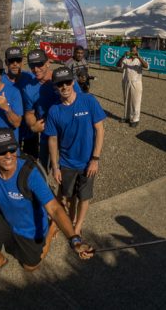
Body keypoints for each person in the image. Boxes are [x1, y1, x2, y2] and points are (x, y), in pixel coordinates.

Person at [0, 128, 94, 281]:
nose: (9, 155)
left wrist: (74, 239)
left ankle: (50, 229)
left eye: (12, 150)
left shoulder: (29, 173)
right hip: (6, 219)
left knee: (30, 267)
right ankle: (0, 260)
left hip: (30, 228)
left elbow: (55, 208)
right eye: (2, 152)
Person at [44, 66, 106, 236]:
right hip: (67, 163)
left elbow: (100, 129)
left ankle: (77, 227)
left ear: (73, 82)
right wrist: (55, 167)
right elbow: (52, 139)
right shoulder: (54, 110)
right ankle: (68, 222)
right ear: (56, 87)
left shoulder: (88, 100)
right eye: (60, 84)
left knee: (84, 197)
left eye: (67, 82)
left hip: (88, 162)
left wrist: (95, 159)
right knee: (67, 195)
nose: (64, 87)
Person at [23, 48, 81, 168]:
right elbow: (29, 113)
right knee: (44, 170)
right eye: (32, 66)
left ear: (48, 62)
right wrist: (33, 126)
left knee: (70, 170)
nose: (36, 69)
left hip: (70, 134)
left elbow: (81, 103)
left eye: (39, 65)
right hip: (47, 137)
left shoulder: (65, 79)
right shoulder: (29, 89)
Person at [4, 47, 37, 157]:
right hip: (11, 131)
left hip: (30, 130)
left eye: (17, 61)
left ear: (22, 62)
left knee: (31, 163)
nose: (15, 64)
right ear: (6, 63)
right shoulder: (0, 81)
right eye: (11, 61)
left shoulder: (30, 77)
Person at [118, 45, 149, 127]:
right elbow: (118, 65)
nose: (133, 52)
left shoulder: (139, 60)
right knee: (127, 100)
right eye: (132, 50)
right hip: (126, 82)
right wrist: (123, 55)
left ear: (137, 51)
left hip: (136, 83)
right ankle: (127, 117)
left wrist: (139, 57)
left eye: (134, 51)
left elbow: (146, 66)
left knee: (136, 101)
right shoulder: (126, 59)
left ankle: (135, 119)